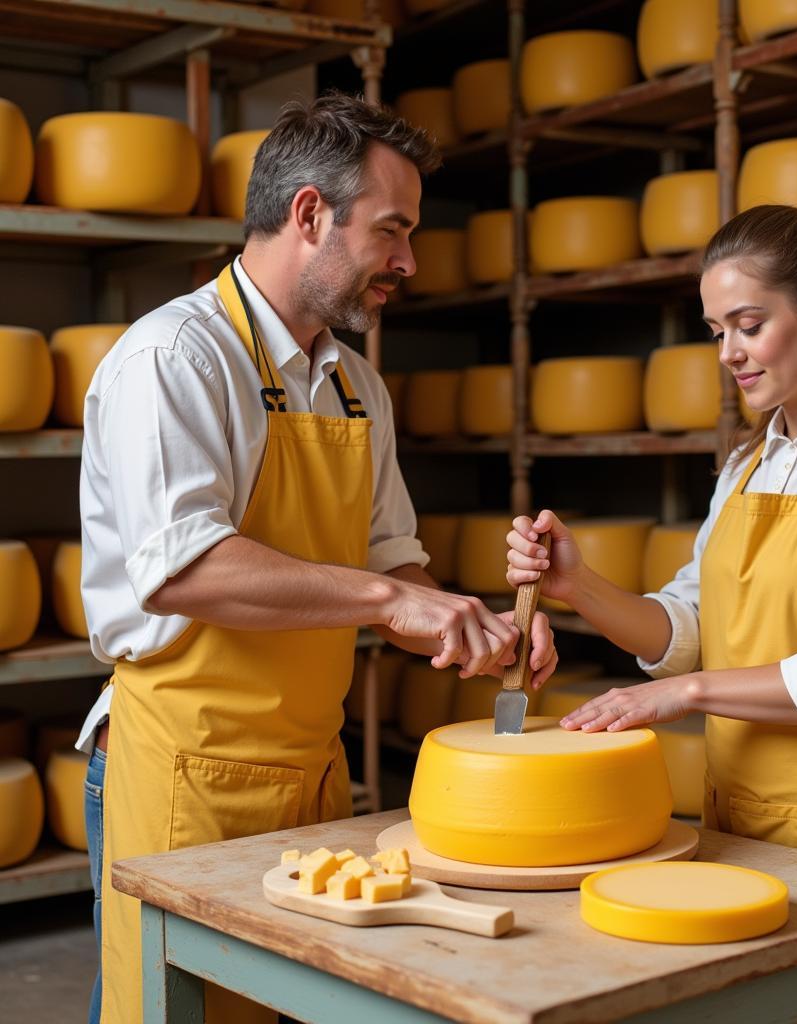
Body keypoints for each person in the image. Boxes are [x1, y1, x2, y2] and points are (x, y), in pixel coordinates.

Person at [76, 92, 557, 1024]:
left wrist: (469, 626)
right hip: (184, 777)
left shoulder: (353, 385)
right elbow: (185, 570)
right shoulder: (175, 359)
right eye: (392, 231)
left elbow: (393, 563)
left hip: (313, 779)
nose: (408, 262)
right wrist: (389, 601)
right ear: (309, 214)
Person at [507, 197, 797, 1023]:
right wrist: (580, 586)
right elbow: (689, 630)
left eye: (748, 324)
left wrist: (684, 697)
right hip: (750, 833)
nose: (728, 352)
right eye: (715, 331)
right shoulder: (745, 468)